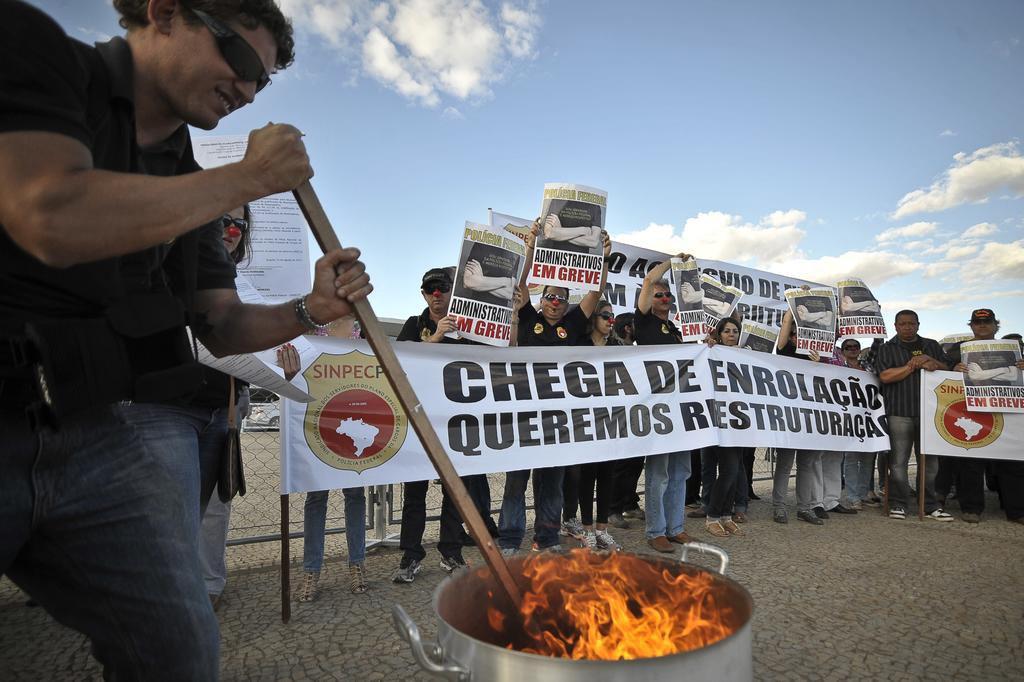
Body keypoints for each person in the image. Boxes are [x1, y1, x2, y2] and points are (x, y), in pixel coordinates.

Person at [1, 2, 372, 678]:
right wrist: (248, 178)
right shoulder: (34, 50)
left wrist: (311, 309)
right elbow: (46, 213)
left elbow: (222, 324)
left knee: (178, 650)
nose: (248, 90)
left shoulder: (187, 180)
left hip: (93, 434)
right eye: (240, 61)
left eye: (264, 82)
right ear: (164, 12)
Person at [498, 223, 610, 554]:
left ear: (566, 303)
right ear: (542, 298)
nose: (555, 302)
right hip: (524, 416)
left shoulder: (574, 322)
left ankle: (546, 539)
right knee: (516, 482)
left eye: (561, 298)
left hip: (560, 419)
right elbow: (520, 282)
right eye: (549, 296)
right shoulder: (528, 317)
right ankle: (509, 540)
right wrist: (531, 247)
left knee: (552, 485)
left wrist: (602, 257)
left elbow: (595, 294)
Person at [391, 267, 497, 581]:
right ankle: (411, 556)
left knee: (456, 491)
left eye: (442, 290)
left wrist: (513, 315)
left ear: (453, 293)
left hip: (456, 422)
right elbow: (397, 361)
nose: (436, 297)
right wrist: (435, 338)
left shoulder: (469, 326)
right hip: (421, 421)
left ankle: (451, 552)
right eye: (429, 291)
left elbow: (497, 356)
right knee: (415, 494)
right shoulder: (415, 325)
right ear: (423, 294)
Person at [197, 205, 254, 611]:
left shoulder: (245, 286)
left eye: (239, 224)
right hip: (171, 404)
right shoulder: (178, 269)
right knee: (173, 505)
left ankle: (209, 585)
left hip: (227, 402)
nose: (231, 230)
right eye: (223, 222)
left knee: (217, 504)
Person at [634, 253, 693, 553]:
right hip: (658, 407)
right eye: (659, 295)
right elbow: (647, 281)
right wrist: (672, 262)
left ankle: (676, 527)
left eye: (669, 294)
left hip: (680, 407)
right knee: (659, 473)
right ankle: (655, 530)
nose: (665, 298)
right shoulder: (642, 322)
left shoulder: (675, 330)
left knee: (681, 471)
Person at [943, 309, 1024, 523]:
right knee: (971, 462)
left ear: (996, 325)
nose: (982, 325)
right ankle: (971, 508)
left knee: (1013, 462)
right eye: (978, 322)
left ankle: (1016, 510)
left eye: (987, 322)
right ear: (971, 325)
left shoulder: (1015, 349)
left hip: (1008, 410)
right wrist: (953, 367)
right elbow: (941, 370)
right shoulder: (957, 350)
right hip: (972, 410)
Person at [874, 309, 952, 521]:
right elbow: (885, 376)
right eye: (903, 323)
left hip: (930, 413)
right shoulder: (886, 348)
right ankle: (899, 503)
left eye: (911, 323)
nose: (907, 327)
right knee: (898, 462)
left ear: (918, 324)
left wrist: (933, 362)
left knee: (930, 463)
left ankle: (929, 504)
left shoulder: (932, 345)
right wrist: (911, 366)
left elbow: (948, 370)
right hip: (899, 411)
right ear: (896, 326)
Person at [771, 308, 829, 525]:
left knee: (806, 464)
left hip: (811, 417)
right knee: (785, 464)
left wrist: (820, 364)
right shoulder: (784, 350)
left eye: (799, 334)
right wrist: (795, 304)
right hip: (789, 416)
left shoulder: (818, 355)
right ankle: (779, 507)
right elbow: (786, 322)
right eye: (793, 334)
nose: (796, 338)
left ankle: (804, 508)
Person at [572, 300, 621, 550]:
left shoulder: (618, 346)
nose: (610, 320)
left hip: (610, 419)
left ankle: (603, 529)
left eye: (612, 316)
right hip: (585, 419)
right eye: (605, 315)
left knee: (607, 475)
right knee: (587, 475)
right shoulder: (580, 344)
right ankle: (587, 528)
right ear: (594, 318)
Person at [700, 317, 749, 537]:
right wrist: (706, 345)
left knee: (735, 469)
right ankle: (712, 516)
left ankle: (726, 516)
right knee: (728, 470)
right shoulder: (710, 351)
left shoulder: (744, 355)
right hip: (717, 420)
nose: (731, 334)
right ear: (719, 334)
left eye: (735, 331)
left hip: (737, 421)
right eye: (727, 331)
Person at [835, 338, 880, 511]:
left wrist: (878, 331)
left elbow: (877, 347)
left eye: (856, 347)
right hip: (849, 417)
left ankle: (863, 493)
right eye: (848, 347)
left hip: (870, 415)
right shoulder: (838, 368)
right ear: (843, 351)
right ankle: (853, 496)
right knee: (851, 459)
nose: (853, 350)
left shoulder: (868, 365)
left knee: (868, 458)